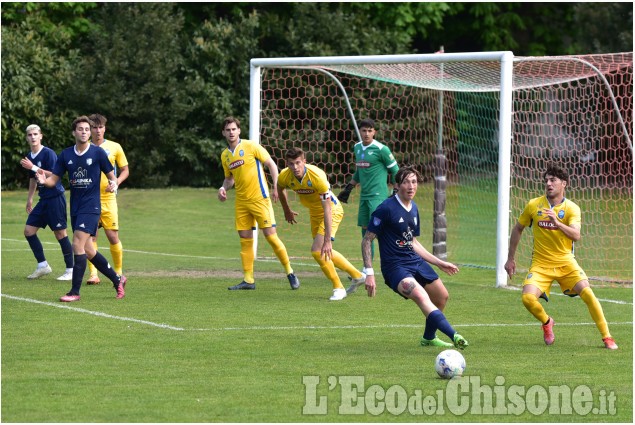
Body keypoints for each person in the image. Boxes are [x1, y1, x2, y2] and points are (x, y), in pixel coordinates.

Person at [504, 164, 618, 350]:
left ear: (563, 183)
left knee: (588, 293)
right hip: (541, 264)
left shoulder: (572, 208)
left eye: (553, 180)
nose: (548, 184)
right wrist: (510, 258)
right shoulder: (534, 205)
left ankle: (607, 337)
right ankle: (547, 322)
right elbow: (518, 228)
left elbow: (576, 235)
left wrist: (557, 223)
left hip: (566, 263)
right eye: (546, 180)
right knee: (527, 298)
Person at [362, 166, 468, 349]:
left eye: (414, 182)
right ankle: (454, 335)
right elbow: (366, 240)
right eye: (406, 182)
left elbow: (413, 243)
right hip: (395, 267)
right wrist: (369, 273)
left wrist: (440, 262)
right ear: (397, 185)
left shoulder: (414, 208)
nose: (411, 186)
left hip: (415, 262)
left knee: (441, 296)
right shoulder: (385, 208)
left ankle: (428, 338)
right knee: (420, 295)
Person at [35, 116, 127, 302]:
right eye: (80, 129)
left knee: (77, 244)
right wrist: (44, 181)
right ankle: (118, 279)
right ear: (74, 132)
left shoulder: (98, 153)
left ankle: (74, 292)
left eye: (87, 129)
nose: (84, 132)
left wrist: (113, 185)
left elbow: (112, 176)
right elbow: (54, 179)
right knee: (88, 250)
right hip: (76, 207)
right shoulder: (66, 154)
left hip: (92, 206)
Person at [217, 116, 300, 290]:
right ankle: (248, 280)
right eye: (228, 130)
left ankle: (290, 272)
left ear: (239, 130)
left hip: (260, 198)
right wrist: (223, 188)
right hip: (241, 202)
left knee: (271, 236)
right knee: (245, 239)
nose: (231, 132)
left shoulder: (251, 146)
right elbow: (229, 179)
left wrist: (276, 186)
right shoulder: (225, 155)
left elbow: (270, 164)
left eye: (234, 129)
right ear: (223, 133)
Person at [277, 147, 366, 301]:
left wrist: (327, 240)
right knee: (321, 252)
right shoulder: (284, 176)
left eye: (298, 163)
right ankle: (357, 276)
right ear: (287, 164)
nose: (295, 167)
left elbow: (327, 209)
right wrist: (286, 210)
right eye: (291, 164)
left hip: (332, 210)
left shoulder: (317, 176)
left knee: (317, 250)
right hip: (314, 212)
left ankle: (338, 287)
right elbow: (279, 188)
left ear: (304, 161)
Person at [337, 119, 399, 293]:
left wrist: (395, 192)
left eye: (369, 131)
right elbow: (359, 170)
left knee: (379, 234)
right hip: (364, 198)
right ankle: (366, 269)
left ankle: (395, 265)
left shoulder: (382, 150)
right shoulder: (357, 148)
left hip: (378, 198)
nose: (366, 134)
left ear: (374, 132)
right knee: (366, 232)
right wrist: (349, 187)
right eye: (364, 130)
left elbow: (396, 171)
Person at [19, 124, 74, 281]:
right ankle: (43, 265)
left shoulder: (48, 153)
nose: (33, 137)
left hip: (56, 197)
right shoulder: (29, 156)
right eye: (30, 135)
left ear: (41, 136)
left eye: (36, 134)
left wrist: (34, 167)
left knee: (60, 233)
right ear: (27, 137)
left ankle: (70, 269)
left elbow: (56, 174)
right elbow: (32, 179)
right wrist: (30, 198)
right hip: (43, 199)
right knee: (29, 231)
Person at [85, 114, 129, 285]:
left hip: (108, 198)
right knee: (91, 238)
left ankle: (118, 273)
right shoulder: (84, 148)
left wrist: (116, 182)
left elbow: (125, 169)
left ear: (105, 128)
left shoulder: (114, 147)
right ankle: (93, 274)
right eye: (94, 127)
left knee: (112, 236)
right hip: (89, 199)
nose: (97, 130)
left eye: (100, 127)